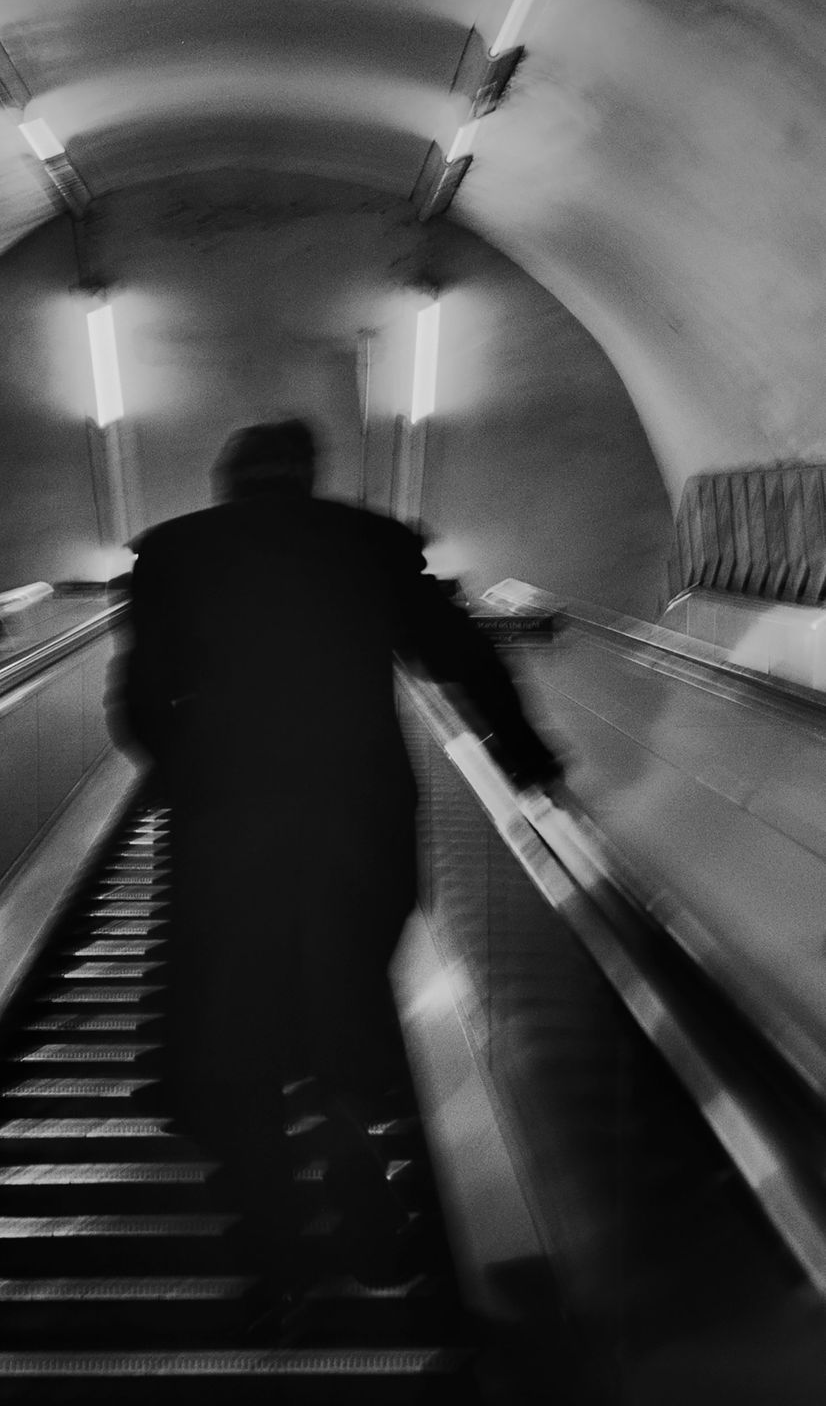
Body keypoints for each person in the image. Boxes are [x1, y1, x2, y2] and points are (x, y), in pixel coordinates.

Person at [111, 418, 561, 1332]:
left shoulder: (173, 553)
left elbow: (135, 707)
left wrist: (189, 768)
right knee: (346, 988)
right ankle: (355, 1149)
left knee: (235, 1017)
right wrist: (523, 753)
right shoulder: (374, 542)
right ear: (309, 478)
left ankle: (275, 1248)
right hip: (360, 816)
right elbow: (461, 653)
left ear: (228, 478)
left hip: (228, 828)